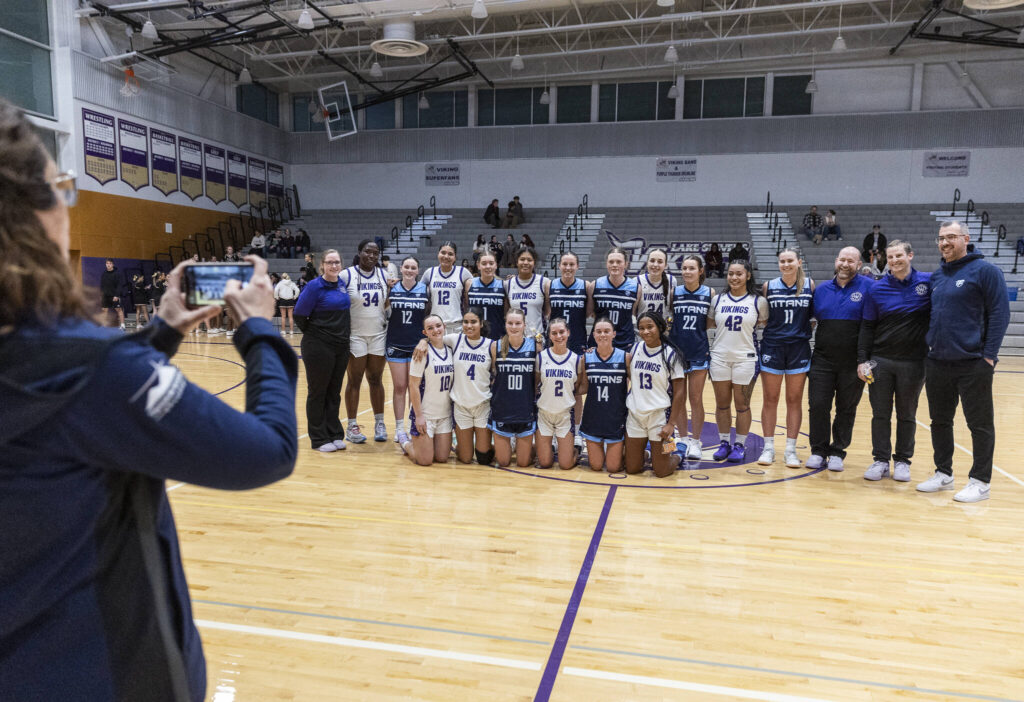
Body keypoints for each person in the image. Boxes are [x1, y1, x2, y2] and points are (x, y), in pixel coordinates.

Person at [0, 99, 298, 702]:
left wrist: (159, 335)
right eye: (63, 186)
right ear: (39, 213)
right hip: (114, 676)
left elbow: (85, 404)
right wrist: (260, 331)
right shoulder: (99, 371)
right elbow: (266, 451)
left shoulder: (87, 372)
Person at [917, 221, 1009, 502]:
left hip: (973, 363)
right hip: (937, 362)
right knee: (940, 421)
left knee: (979, 424)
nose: (945, 243)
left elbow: (999, 315)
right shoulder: (937, 276)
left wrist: (989, 357)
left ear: (966, 239)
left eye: (951, 237)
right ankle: (943, 473)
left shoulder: (986, 271)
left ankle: (980, 482)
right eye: (941, 238)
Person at [856, 241, 930, 481]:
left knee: (907, 413)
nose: (895, 260)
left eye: (899, 255)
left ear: (910, 255)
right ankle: (880, 460)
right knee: (880, 413)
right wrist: (862, 360)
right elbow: (867, 327)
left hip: (914, 362)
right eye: (890, 257)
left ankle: (903, 461)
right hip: (881, 361)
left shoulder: (928, 283)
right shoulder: (876, 289)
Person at [807, 246, 871, 472]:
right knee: (818, 406)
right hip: (822, 360)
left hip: (853, 362)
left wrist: (866, 360)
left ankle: (837, 452)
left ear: (859, 265)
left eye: (850, 261)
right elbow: (810, 321)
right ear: (836, 261)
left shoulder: (869, 287)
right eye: (842, 259)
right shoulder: (822, 289)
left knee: (846, 408)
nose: (845, 264)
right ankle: (818, 450)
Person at [707, 259, 769, 463]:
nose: (734, 277)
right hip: (719, 358)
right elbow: (710, 323)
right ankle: (724, 442)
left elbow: (763, 324)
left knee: (742, 405)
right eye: (731, 273)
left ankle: (740, 444)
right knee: (722, 404)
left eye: (739, 274)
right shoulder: (718, 300)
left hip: (745, 358)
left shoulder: (758, 301)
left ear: (748, 276)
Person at [759, 248, 814, 468]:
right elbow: (763, 318)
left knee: (794, 400)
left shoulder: (809, 286)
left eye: (790, 260)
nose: (786, 264)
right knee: (770, 399)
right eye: (782, 261)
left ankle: (790, 449)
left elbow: (812, 318)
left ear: (799, 262)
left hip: (798, 348)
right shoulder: (768, 287)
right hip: (772, 346)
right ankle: (768, 447)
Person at [294, 248, 351, 452]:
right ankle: (318, 438)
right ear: (322, 265)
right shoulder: (314, 287)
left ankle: (334, 433)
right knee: (318, 392)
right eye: (330, 262)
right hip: (318, 347)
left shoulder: (342, 284)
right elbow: (299, 315)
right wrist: (318, 335)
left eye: (337, 262)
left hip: (340, 347)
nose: (334, 266)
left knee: (334, 393)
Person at [621, 311, 685, 478]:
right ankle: (650, 453)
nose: (645, 332)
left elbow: (679, 392)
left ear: (660, 328)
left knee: (661, 471)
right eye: (641, 328)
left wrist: (671, 424)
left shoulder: (671, 355)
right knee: (632, 468)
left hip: (659, 416)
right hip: (635, 414)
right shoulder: (634, 349)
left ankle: (678, 452)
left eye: (650, 327)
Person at [340, 239, 389, 443]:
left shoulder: (384, 275)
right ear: (359, 252)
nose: (372, 256)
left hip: (378, 334)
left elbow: (386, 304)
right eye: (368, 252)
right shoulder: (346, 275)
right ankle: (352, 425)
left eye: (376, 253)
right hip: (355, 335)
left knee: (376, 379)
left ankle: (379, 422)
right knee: (355, 380)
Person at [670, 254, 712, 462]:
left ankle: (696, 441)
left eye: (691, 268)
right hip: (677, 351)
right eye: (684, 268)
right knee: (678, 398)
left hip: (698, 350)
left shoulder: (709, 293)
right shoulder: (674, 292)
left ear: (700, 271)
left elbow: (710, 322)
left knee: (696, 399)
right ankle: (683, 439)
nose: (687, 272)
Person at [385, 256, 430, 446]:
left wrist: (425, 339)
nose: (410, 270)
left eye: (413, 267)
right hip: (395, 343)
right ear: (401, 269)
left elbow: (428, 316)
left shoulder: (425, 290)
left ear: (418, 271)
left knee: (415, 389)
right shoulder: (392, 288)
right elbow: (384, 309)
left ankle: (413, 426)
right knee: (399, 387)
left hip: (416, 346)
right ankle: (398, 428)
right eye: (407, 267)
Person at [401, 314, 455, 466]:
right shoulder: (421, 353)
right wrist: (419, 416)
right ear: (425, 333)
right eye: (430, 328)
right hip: (426, 415)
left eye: (438, 326)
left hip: (445, 415)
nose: (435, 330)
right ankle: (405, 442)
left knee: (442, 458)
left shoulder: (451, 349)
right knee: (425, 461)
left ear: (444, 326)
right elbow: (412, 386)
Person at [489, 308, 538, 467]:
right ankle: (509, 442)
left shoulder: (534, 346)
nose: (514, 326)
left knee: (523, 463)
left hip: (525, 410)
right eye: (510, 323)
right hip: (502, 410)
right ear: (505, 324)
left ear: (524, 325)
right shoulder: (495, 346)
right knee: (503, 462)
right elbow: (491, 376)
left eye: (518, 323)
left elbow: (538, 378)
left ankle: (527, 444)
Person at [578, 318, 629, 472]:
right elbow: (584, 388)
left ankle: (638, 452)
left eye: (606, 331)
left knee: (613, 467)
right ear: (593, 335)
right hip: (593, 417)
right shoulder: (586, 358)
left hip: (616, 418)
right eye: (599, 332)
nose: (603, 335)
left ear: (614, 334)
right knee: (596, 466)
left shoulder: (625, 357)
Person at [535, 319, 581, 470]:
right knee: (545, 463)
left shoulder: (576, 359)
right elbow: (535, 384)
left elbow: (579, 387)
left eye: (562, 332)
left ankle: (575, 450)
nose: (559, 336)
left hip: (565, 415)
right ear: (549, 336)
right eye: (554, 333)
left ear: (568, 332)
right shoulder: (541, 357)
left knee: (565, 465)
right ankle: (552, 448)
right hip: (544, 414)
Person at [590, 247, 638, 351]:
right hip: (599, 341)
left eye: (618, 262)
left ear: (626, 264)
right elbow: (592, 313)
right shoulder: (596, 285)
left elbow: (632, 313)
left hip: (625, 342)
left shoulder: (636, 287)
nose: (614, 265)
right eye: (611, 262)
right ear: (607, 264)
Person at [423, 241, 473, 334]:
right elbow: (417, 289)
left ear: (455, 257)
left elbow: (478, 286)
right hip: (435, 326)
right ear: (438, 254)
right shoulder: (430, 272)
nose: (446, 256)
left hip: (457, 326)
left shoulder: (462, 272)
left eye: (450, 254)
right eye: (443, 253)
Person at [504, 246, 549, 338]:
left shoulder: (544, 282)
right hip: (515, 337)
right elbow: (506, 313)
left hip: (537, 337)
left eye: (529, 260)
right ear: (517, 262)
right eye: (522, 259)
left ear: (534, 263)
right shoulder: (507, 284)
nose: (525, 263)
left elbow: (548, 312)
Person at [465, 251, 506, 339]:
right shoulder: (470, 284)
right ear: (478, 265)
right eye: (484, 263)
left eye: (491, 263)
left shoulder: (503, 285)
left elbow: (506, 313)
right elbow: (466, 308)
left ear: (496, 265)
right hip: (474, 335)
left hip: (497, 335)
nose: (488, 266)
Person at [635, 248, 674, 319]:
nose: (655, 264)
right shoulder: (637, 281)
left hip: (663, 329)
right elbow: (633, 311)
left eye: (660, 262)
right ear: (647, 263)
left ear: (665, 265)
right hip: (642, 329)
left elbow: (672, 310)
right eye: (652, 261)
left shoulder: (671, 280)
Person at [99, 258, 125, 330]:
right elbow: (102, 285)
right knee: (104, 310)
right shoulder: (104, 274)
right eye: (107, 263)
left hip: (114, 295)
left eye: (110, 263)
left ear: (112, 264)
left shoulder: (117, 273)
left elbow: (119, 285)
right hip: (105, 295)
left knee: (118, 309)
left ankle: (122, 325)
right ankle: (103, 325)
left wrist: (117, 295)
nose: (108, 265)